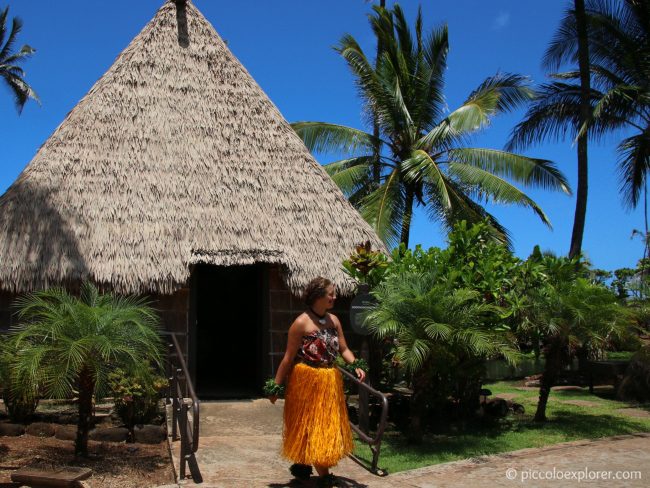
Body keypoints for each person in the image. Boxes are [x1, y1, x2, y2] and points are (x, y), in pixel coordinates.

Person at [268, 277, 366, 487]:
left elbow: (344, 349)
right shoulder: (301, 323)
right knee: (308, 424)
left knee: (324, 425)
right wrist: (276, 386)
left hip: (329, 380)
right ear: (318, 296)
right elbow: (288, 358)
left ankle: (303, 465)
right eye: (330, 293)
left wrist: (355, 364)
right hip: (306, 380)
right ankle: (323, 473)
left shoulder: (334, 320)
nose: (334, 297)